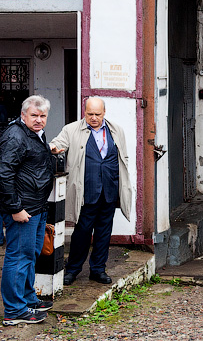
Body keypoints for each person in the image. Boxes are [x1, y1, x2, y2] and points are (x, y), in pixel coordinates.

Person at [51, 97, 133, 286]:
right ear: (84, 112)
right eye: (90, 114)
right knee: (82, 232)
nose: (93, 118)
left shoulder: (115, 130)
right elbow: (57, 143)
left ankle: (98, 270)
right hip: (86, 191)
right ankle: (72, 269)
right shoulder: (71, 130)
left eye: (97, 114)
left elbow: (123, 157)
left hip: (109, 190)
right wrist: (54, 148)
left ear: (104, 112)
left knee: (104, 232)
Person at [0, 95, 55, 325]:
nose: (39, 120)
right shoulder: (15, 135)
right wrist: (15, 208)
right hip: (23, 209)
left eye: (43, 116)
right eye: (34, 115)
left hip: (36, 206)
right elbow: (4, 174)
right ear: (23, 115)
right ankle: (14, 311)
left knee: (30, 256)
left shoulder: (35, 134)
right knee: (18, 258)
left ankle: (27, 299)